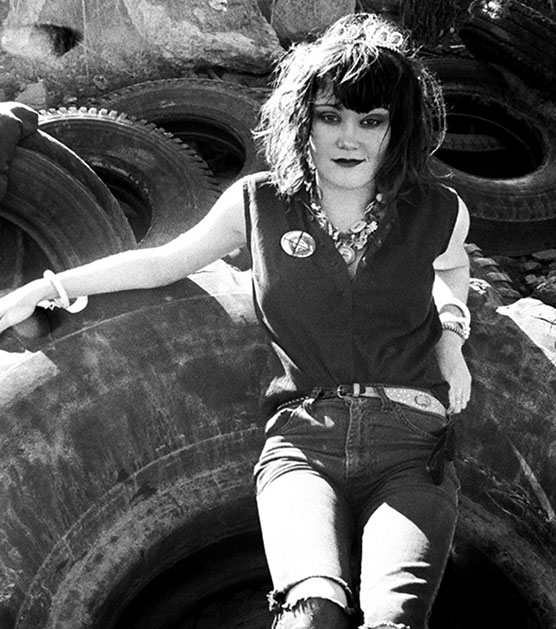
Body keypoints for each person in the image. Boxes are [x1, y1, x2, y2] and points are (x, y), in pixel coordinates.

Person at [0, 12, 471, 629]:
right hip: (304, 442)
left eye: (371, 120)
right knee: (313, 613)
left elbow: (451, 268)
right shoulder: (260, 201)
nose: (348, 139)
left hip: (413, 446)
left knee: (394, 619)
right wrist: (47, 287)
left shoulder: (439, 209)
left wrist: (452, 338)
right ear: (303, 120)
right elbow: (164, 262)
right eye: (330, 117)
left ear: (397, 127)